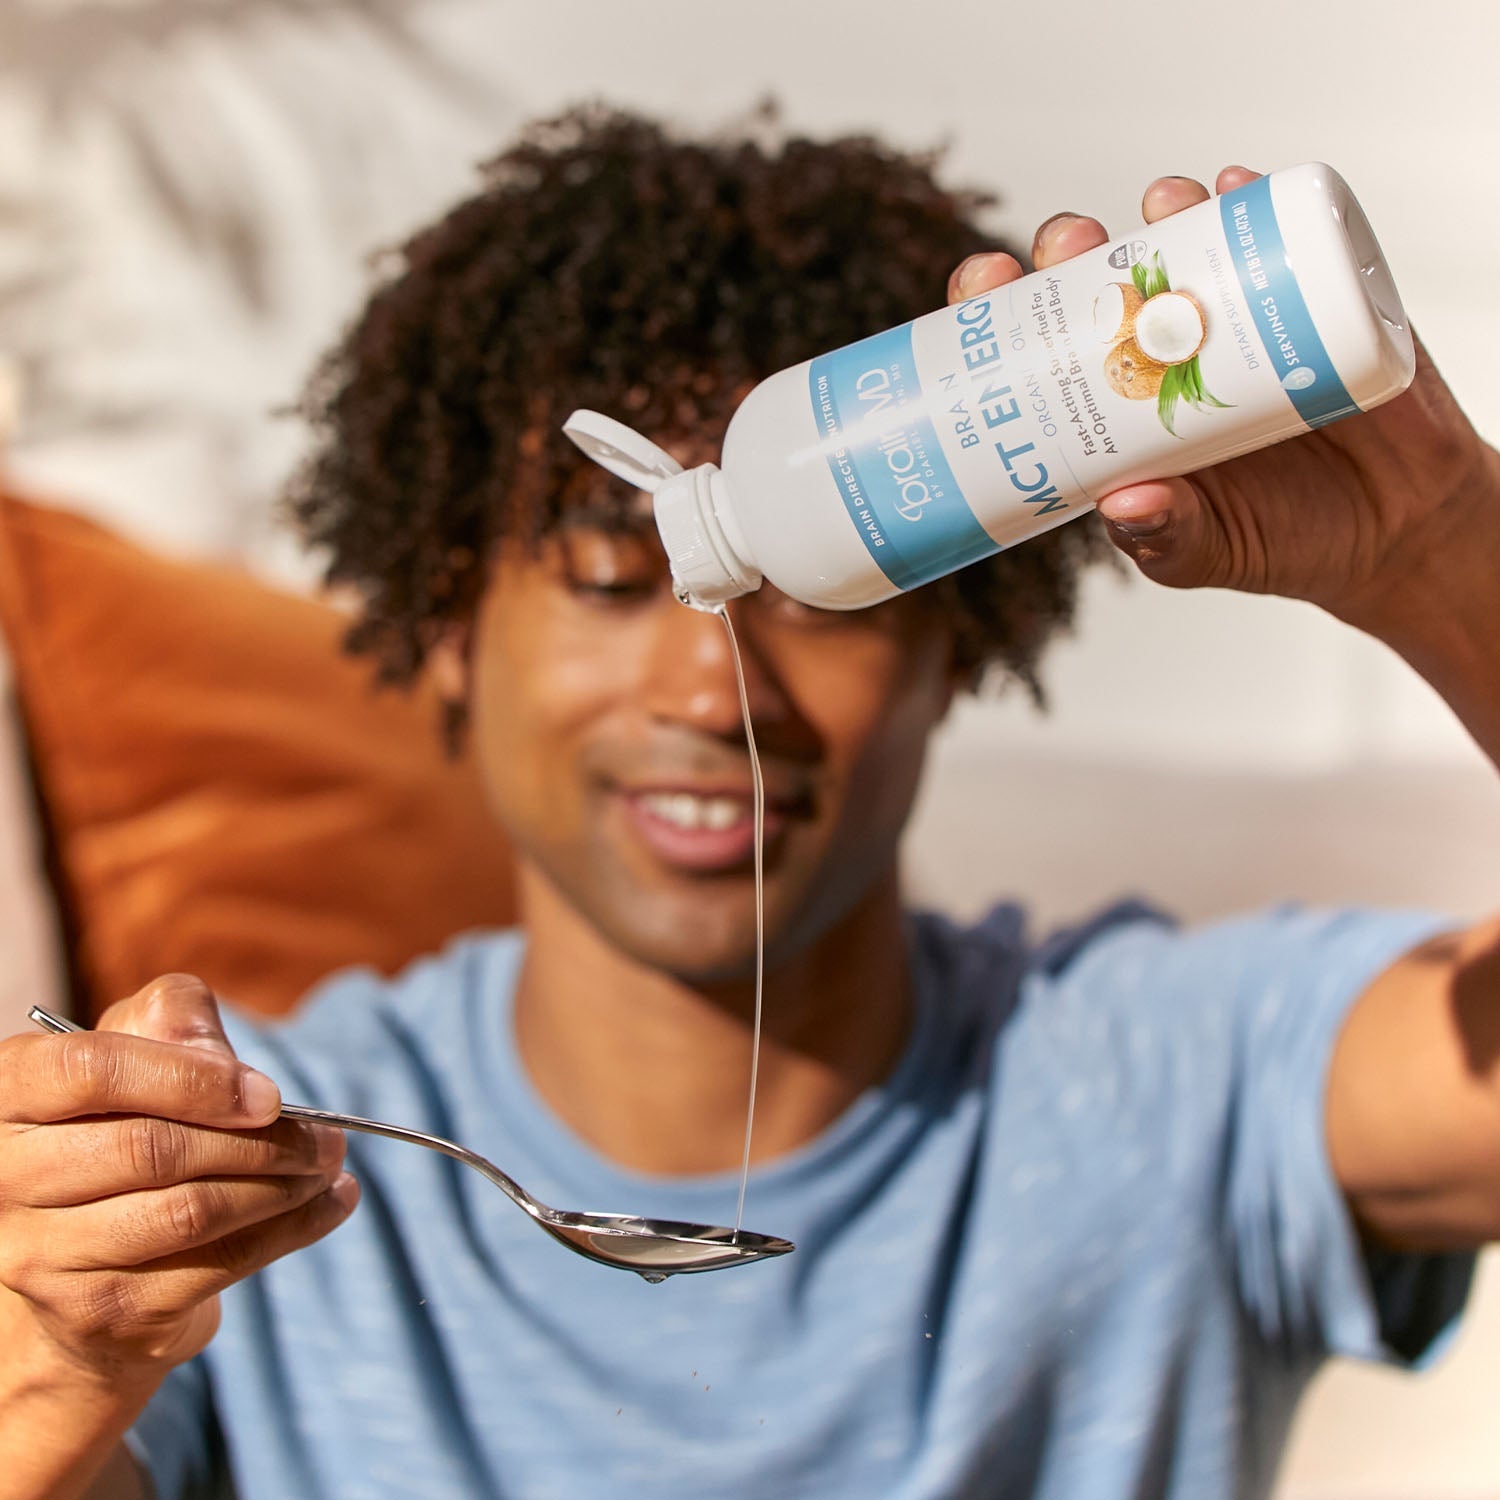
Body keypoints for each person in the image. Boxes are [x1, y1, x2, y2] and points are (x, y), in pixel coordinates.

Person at [2, 107, 1497, 1500]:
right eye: (600, 575)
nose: (714, 694)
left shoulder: (1181, 1088)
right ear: (447, 634)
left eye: (825, 597)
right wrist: (56, 1372)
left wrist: (1443, 557)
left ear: (956, 649)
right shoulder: (255, 1178)